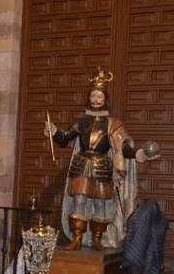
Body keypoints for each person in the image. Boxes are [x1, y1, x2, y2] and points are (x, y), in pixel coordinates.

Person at [44, 68, 158, 250]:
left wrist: (137, 153)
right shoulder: (82, 121)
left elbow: (123, 146)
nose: (96, 100)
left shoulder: (113, 123)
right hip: (81, 165)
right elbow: (65, 139)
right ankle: (77, 237)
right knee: (79, 201)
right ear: (89, 98)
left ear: (105, 99)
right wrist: (55, 131)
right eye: (93, 96)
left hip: (102, 167)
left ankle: (97, 239)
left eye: (99, 96)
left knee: (101, 203)